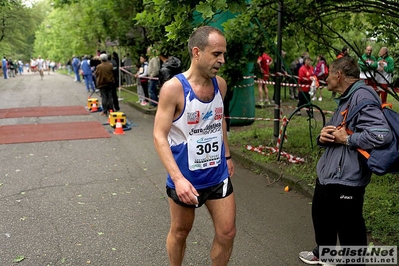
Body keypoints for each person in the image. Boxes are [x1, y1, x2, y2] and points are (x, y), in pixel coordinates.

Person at [153, 26, 236, 266]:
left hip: (217, 174)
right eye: (216, 54)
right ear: (197, 52)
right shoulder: (173, 89)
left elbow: (218, 119)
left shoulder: (220, 84)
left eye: (223, 54)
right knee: (180, 232)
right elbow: (159, 136)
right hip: (185, 179)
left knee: (227, 232)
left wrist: (228, 156)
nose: (222, 60)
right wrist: (178, 179)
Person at [299, 57, 392, 266]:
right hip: (330, 173)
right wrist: (323, 136)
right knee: (322, 215)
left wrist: (348, 139)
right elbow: (337, 128)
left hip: (348, 176)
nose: (326, 78)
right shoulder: (346, 97)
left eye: (329, 74)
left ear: (338, 75)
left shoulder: (361, 96)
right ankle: (325, 255)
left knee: (350, 228)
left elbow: (381, 134)